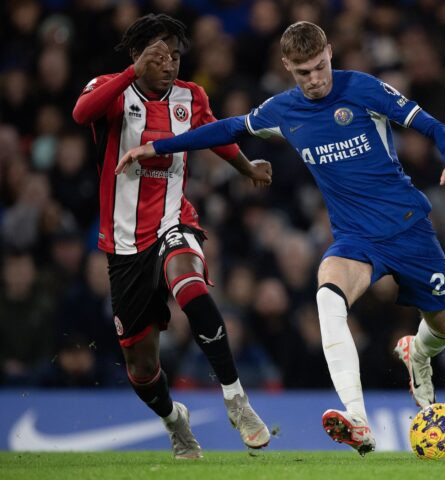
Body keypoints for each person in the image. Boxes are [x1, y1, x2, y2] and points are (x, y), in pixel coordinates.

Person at [118, 21, 445, 456]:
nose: (316, 79)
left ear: (330, 53)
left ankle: (415, 353)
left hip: (408, 227)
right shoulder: (282, 111)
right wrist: (157, 148)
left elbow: (436, 128)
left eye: (321, 67)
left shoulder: (363, 89)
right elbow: (228, 129)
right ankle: (357, 419)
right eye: (304, 73)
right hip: (355, 240)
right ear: (287, 66)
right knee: (327, 298)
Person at [72, 14, 272, 459]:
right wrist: (131, 73)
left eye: (176, 57)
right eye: (160, 56)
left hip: (173, 220)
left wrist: (247, 167)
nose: (170, 65)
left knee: (190, 281)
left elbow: (214, 134)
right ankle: (174, 421)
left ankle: (236, 398)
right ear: (137, 55)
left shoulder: (191, 96)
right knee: (141, 368)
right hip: (124, 243)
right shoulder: (110, 89)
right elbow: (80, 113)